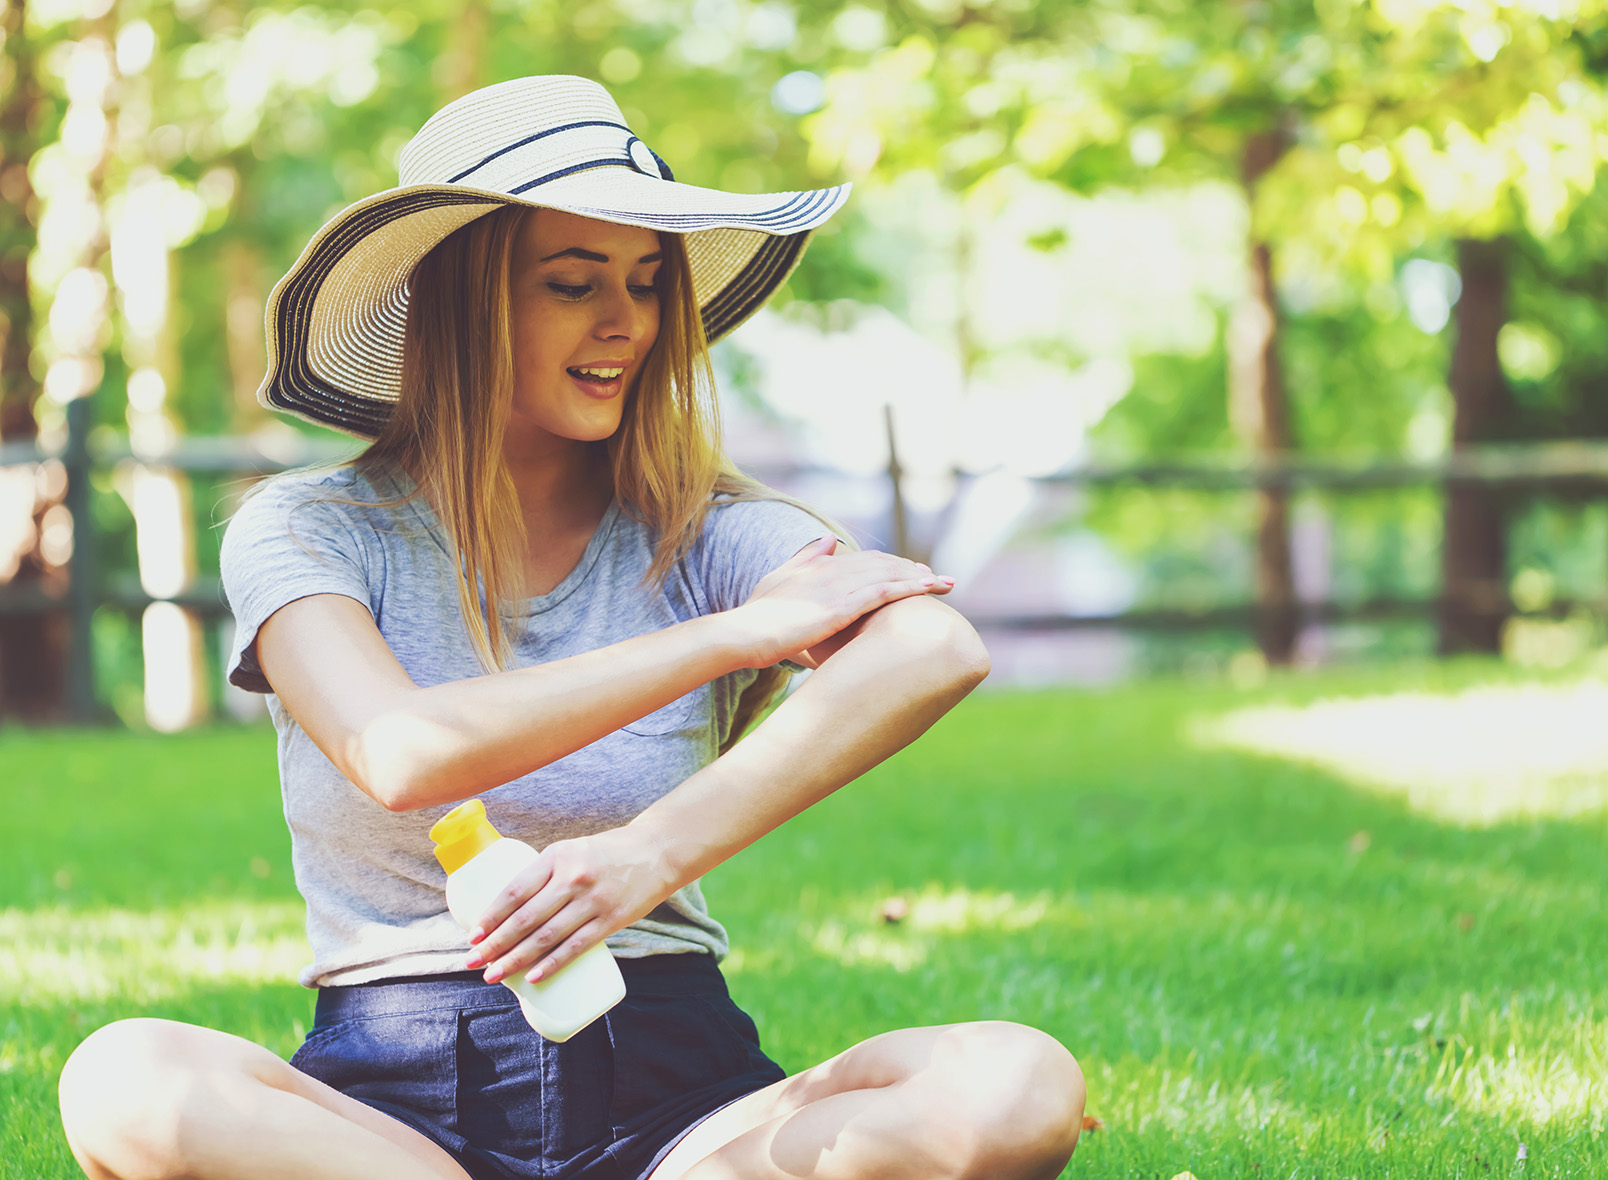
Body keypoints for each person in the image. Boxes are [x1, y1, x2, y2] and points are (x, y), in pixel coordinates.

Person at [57, 75, 1084, 1180]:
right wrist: (729, 639)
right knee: (123, 1077)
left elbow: (934, 646)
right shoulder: (308, 529)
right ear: (461, 299)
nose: (625, 322)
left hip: (685, 1103)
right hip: (393, 1121)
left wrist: (644, 857)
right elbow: (400, 752)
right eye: (571, 282)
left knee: (1017, 1082)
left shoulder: (712, 533)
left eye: (646, 282)